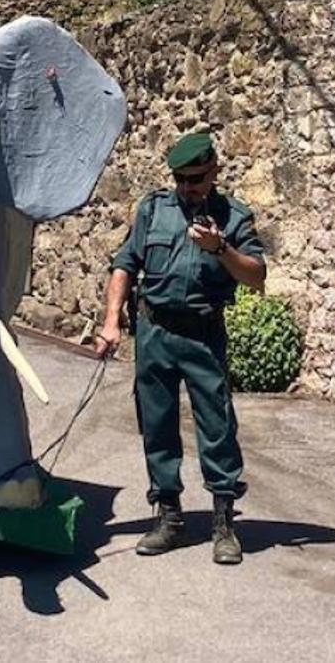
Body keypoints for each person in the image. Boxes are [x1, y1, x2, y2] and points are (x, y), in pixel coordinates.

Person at [95, 132, 267, 565]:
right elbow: (124, 265)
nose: (188, 187)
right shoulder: (154, 209)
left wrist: (220, 247)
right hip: (154, 331)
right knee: (156, 423)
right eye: (181, 179)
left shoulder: (233, 217)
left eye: (196, 179)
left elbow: (256, 276)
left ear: (214, 173)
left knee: (216, 424)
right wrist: (111, 321)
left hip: (202, 333)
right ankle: (169, 517)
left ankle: (224, 524)